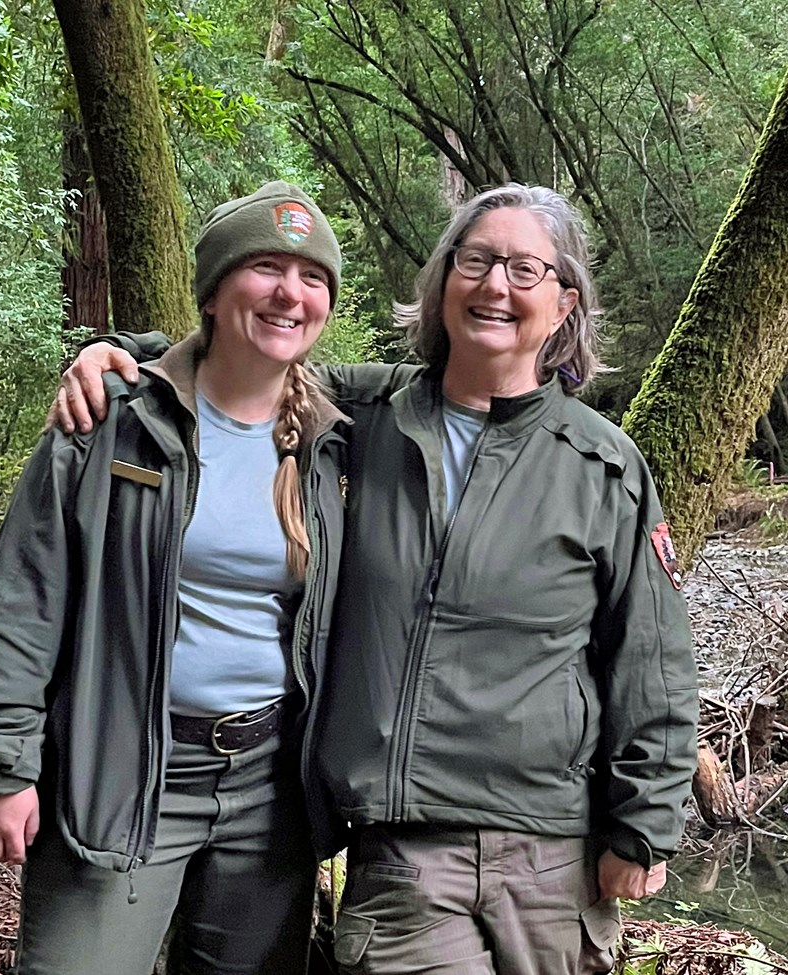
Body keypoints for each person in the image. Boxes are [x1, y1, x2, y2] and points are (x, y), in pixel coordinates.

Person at [55, 183, 699, 975]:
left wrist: (645, 824)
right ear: (442, 282)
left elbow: (654, 660)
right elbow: (246, 355)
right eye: (477, 260)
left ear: (564, 304)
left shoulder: (604, 465)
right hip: (405, 843)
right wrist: (119, 353)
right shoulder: (363, 412)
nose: (496, 285)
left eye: (526, 270)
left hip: (552, 848)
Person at [0, 181, 351, 975]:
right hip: (123, 764)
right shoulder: (113, 418)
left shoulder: (336, 439)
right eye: (264, 267)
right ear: (215, 286)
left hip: (269, 785)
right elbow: (23, 594)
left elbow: (458, 389)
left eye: (311, 279)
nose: (288, 294)